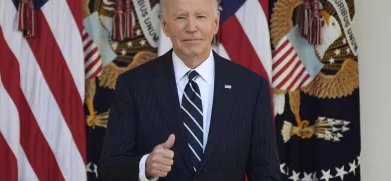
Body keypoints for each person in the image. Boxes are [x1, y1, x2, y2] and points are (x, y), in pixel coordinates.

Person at [98, 0, 281, 180]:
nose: (191, 27)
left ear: (215, 23)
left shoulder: (252, 88)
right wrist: (145, 166)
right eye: (180, 17)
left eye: (200, 16)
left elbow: (266, 174)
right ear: (165, 25)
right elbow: (108, 168)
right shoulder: (133, 85)